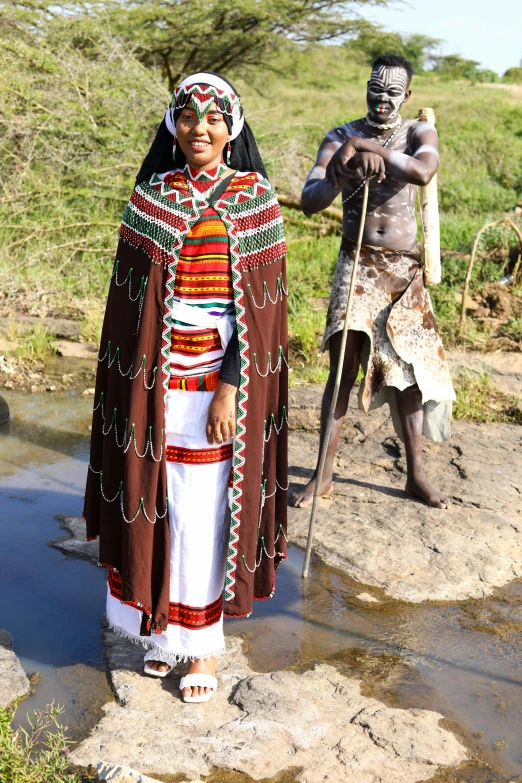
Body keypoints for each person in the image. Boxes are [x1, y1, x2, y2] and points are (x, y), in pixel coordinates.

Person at [84, 72, 288, 703]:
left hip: (219, 388)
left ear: (234, 127)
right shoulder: (151, 200)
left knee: (204, 510)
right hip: (153, 385)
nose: (201, 129)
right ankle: (161, 630)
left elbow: (260, 319)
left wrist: (230, 388)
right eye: (189, 117)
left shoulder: (256, 203)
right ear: (173, 124)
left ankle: (201, 651)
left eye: (215, 119)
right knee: (156, 496)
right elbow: (129, 312)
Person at [292, 54, 455, 511]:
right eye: (375, 88)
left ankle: (416, 476)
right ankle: (322, 477)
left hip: (402, 269)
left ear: (407, 96)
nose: (382, 98)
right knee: (341, 371)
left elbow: (423, 172)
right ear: (365, 87)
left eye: (392, 91)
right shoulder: (338, 137)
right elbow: (310, 201)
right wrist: (341, 171)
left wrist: (376, 151)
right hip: (357, 264)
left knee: (407, 377)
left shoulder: (418, 132)